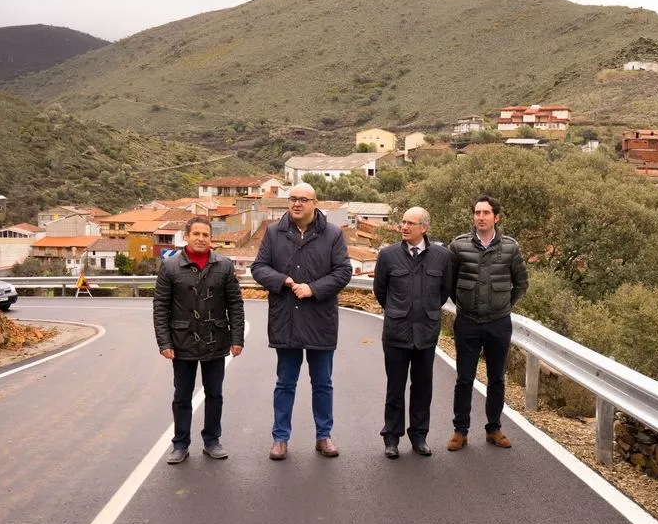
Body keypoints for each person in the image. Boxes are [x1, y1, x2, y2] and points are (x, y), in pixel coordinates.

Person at [251, 183, 352, 460]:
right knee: (285, 383)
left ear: (315, 203)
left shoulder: (333, 234)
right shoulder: (274, 232)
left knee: (322, 383)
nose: (297, 204)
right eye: (293, 198)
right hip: (287, 319)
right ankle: (280, 438)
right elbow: (258, 268)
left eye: (303, 199)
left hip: (320, 319)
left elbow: (343, 271)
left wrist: (313, 289)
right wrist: (283, 280)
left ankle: (324, 436)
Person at [153, 216, 245, 465]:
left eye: (206, 235)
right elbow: (160, 307)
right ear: (187, 236)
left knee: (215, 394)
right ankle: (180, 444)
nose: (201, 239)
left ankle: (212, 441)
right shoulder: (170, 267)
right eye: (196, 234)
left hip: (216, 339)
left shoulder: (224, 265)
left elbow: (235, 304)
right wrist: (164, 343)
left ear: (211, 238)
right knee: (182, 396)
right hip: (182, 341)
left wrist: (237, 338)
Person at [447, 195, 528, 452]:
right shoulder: (458, 246)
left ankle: (494, 429)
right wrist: (464, 304)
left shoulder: (510, 248)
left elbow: (521, 283)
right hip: (467, 322)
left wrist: (503, 305)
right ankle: (460, 431)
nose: (480, 217)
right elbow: (449, 283)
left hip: (498, 323)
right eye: (477, 212)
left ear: (497, 217)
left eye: (486, 213)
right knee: (464, 379)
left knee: (497, 379)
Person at [373, 207, 453, 459]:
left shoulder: (442, 256)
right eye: (403, 222)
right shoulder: (388, 255)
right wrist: (397, 311)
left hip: (426, 333)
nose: (404, 227)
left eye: (410, 223)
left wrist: (427, 312)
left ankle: (419, 436)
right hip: (396, 333)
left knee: (423, 387)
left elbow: (444, 291)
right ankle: (392, 437)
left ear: (424, 228)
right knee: (395, 387)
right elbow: (380, 291)